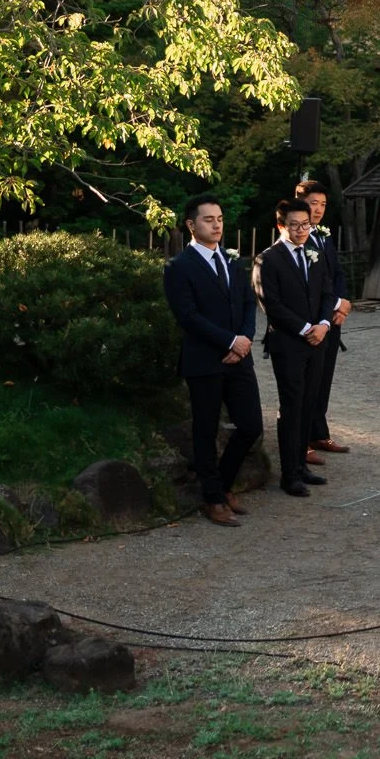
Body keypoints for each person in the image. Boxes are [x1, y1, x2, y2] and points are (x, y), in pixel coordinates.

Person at [163, 195, 262, 526]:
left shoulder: (234, 261)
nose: (217, 224)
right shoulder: (179, 267)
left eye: (220, 218)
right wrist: (229, 340)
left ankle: (220, 484)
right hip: (204, 360)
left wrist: (243, 340)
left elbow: (248, 302)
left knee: (250, 426)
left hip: (239, 358)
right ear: (191, 225)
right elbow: (187, 316)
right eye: (209, 219)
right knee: (205, 430)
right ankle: (213, 499)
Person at [257, 198, 335, 500]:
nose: (302, 229)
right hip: (289, 342)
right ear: (281, 225)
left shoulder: (314, 253)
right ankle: (289, 474)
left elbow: (327, 292)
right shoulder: (268, 259)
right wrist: (305, 329)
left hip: (318, 339)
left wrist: (324, 324)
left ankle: (301, 464)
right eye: (295, 225)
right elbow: (271, 304)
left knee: (310, 402)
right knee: (292, 405)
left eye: (306, 224)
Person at [292, 182, 353, 458]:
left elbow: (337, 273)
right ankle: (299, 439)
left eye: (323, 205)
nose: (318, 209)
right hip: (311, 320)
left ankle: (318, 432)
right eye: (313, 203)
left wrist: (342, 305)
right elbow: (310, 282)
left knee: (324, 378)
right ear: (300, 202)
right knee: (305, 383)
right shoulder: (295, 237)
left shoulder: (324, 236)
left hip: (332, 318)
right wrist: (335, 305)